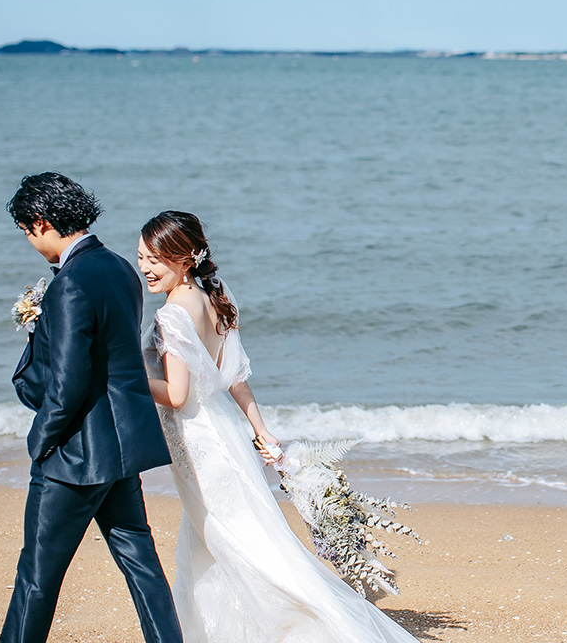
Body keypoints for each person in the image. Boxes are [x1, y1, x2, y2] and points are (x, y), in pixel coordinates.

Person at [138, 210, 417, 643]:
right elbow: (235, 379)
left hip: (199, 441)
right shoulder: (214, 295)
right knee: (220, 536)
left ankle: (315, 626)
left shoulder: (172, 315)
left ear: (185, 258)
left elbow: (176, 396)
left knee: (239, 543)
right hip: (224, 431)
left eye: (155, 259)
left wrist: (118, 375)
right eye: (141, 257)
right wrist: (260, 429)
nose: (145, 268)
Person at [3, 173, 182, 643]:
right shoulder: (121, 267)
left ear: (41, 223)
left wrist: (40, 441)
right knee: (142, 566)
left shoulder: (71, 282)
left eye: (26, 230)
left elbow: (67, 384)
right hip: (122, 451)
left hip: (75, 457)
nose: (29, 240)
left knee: (37, 577)